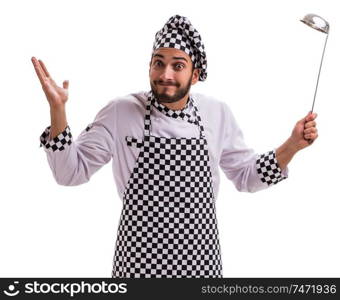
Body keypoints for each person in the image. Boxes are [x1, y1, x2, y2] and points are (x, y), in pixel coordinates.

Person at [32, 15, 318, 278]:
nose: (165, 74)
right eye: (159, 62)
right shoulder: (121, 111)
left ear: (195, 75)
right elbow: (69, 173)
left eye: (178, 65)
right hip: (137, 266)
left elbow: (246, 177)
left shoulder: (216, 113)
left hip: (201, 267)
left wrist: (291, 146)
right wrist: (58, 110)